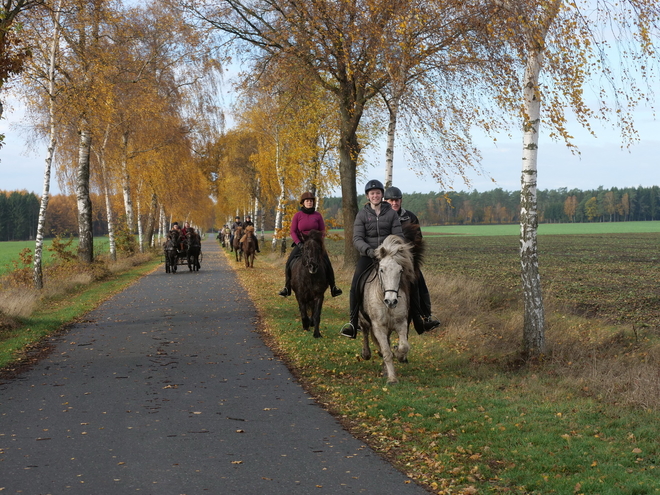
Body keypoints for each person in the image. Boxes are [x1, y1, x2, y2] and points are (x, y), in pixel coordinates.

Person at [339, 179, 404, 339]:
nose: (375, 195)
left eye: (378, 193)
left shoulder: (391, 214)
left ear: (382, 195)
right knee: (355, 285)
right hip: (369, 256)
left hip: (388, 257)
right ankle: (353, 323)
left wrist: (391, 252)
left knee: (410, 280)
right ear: (368, 196)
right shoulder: (362, 215)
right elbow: (357, 239)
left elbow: (398, 236)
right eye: (372, 193)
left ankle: (418, 316)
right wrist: (369, 251)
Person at [384, 186, 441, 333]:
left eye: (397, 200)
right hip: (388, 259)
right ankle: (358, 318)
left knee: (420, 283)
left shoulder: (410, 217)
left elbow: (418, 239)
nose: (394, 203)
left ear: (401, 200)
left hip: (408, 260)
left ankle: (426, 317)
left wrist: (408, 256)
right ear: (386, 201)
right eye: (391, 200)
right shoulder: (382, 217)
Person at [277, 192, 342, 298]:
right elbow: (293, 231)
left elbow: (322, 230)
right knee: (289, 262)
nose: (309, 202)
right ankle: (287, 287)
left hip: (315, 244)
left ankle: (333, 287)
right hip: (301, 244)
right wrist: (298, 243)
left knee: (327, 262)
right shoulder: (298, 215)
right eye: (307, 201)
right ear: (303, 203)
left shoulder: (317, 215)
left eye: (311, 201)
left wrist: (318, 241)